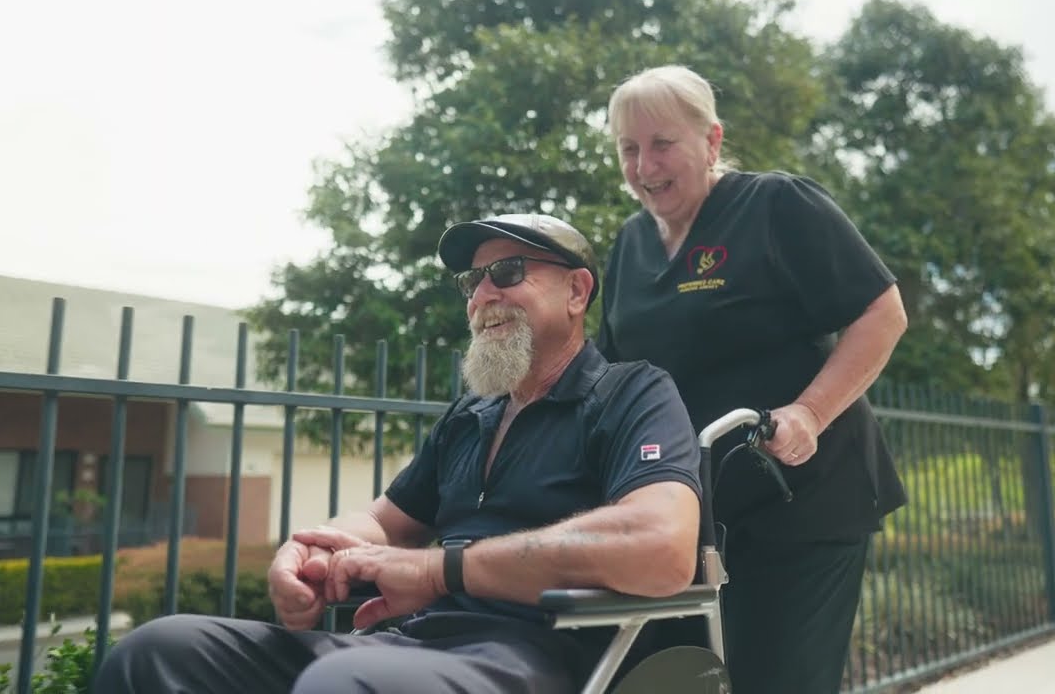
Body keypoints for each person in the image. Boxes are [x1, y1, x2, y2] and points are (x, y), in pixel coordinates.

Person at [93, 213, 703, 694]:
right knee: (158, 652)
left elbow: (662, 546)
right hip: (415, 644)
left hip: (541, 654)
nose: (483, 294)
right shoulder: (472, 415)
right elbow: (385, 521)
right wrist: (311, 549)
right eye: (472, 281)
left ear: (576, 290)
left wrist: (439, 570)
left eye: (508, 271)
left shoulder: (632, 393)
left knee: (342, 683)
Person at [596, 64, 909, 693]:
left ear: (711, 141)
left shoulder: (776, 205)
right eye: (629, 149)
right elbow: (612, 377)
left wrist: (809, 413)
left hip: (802, 501)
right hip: (689, 519)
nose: (645, 165)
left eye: (662, 144)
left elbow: (883, 313)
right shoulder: (630, 245)